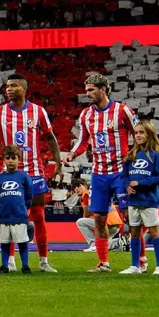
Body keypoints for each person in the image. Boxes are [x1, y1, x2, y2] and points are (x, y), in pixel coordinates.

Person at [0, 73, 63, 273]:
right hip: (10, 173)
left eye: (13, 85)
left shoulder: (38, 111)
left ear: (24, 88)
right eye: (7, 86)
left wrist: (58, 163)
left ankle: (43, 261)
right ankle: (10, 261)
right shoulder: (0, 112)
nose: (8, 89)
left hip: (35, 172)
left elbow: (50, 138)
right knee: (10, 216)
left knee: (38, 217)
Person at [63, 74, 138, 273]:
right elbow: (83, 141)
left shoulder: (122, 111)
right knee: (99, 218)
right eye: (86, 90)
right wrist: (72, 153)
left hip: (120, 172)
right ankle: (104, 262)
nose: (87, 93)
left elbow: (139, 135)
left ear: (102, 89)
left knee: (131, 215)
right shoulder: (86, 115)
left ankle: (140, 260)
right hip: (98, 174)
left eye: (90, 90)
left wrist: (133, 159)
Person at [120, 120, 159, 275]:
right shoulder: (131, 155)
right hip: (133, 201)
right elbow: (124, 176)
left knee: (154, 231)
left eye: (141, 132)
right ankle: (135, 266)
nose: (138, 135)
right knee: (135, 232)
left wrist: (140, 183)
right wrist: (127, 185)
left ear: (149, 134)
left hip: (149, 200)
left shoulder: (156, 155)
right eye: (136, 133)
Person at [0, 145, 32, 274]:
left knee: (22, 241)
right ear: (4, 160)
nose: (10, 161)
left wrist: (23, 208)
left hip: (19, 215)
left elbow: (29, 195)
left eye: (13, 158)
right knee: (5, 242)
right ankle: (5, 266)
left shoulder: (23, 177)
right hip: (4, 215)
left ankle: (25, 266)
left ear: (18, 160)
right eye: (7, 158)